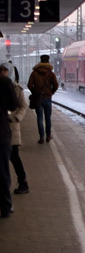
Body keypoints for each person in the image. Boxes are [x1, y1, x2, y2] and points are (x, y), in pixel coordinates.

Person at [0, 62, 19, 218]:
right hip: (1, 133)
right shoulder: (5, 82)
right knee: (3, 171)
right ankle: (6, 206)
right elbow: (13, 105)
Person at [27, 54, 59, 144]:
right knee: (48, 118)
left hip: (38, 99)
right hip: (47, 98)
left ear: (40, 61)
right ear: (48, 61)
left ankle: (41, 137)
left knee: (39, 118)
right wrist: (51, 92)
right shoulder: (51, 73)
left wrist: (35, 92)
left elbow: (29, 85)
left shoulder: (34, 73)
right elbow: (56, 85)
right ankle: (48, 135)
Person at [9, 65, 29, 194]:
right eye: (1, 70)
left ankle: (23, 182)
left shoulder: (16, 89)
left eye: (5, 70)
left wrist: (17, 117)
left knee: (14, 157)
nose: (3, 73)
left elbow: (24, 105)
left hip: (12, 126)